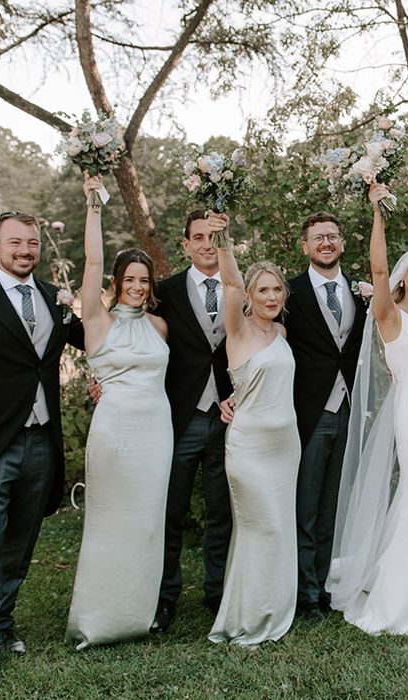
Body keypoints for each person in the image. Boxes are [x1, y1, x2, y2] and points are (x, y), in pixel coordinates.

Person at [326, 183, 408, 635]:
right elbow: (377, 268)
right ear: (404, 275)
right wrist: (377, 214)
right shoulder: (391, 315)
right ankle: (398, 599)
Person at [66, 174, 172, 649]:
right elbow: (90, 260)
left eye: (143, 281)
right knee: (110, 521)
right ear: (116, 282)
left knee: (147, 522)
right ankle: (99, 617)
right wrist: (94, 205)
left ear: (150, 286)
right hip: (114, 432)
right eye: (128, 279)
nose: (135, 286)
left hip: (156, 432)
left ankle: (137, 614)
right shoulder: (97, 321)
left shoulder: (160, 326)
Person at [0, 211, 84, 688]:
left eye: (32, 243)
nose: (25, 250)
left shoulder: (51, 297)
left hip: (41, 439)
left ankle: (0, 625)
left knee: (20, 543)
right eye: (15, 243)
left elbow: (96, 341)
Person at [208, 214, 300, 646]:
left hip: (286, 446)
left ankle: (272, 607)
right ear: (249, 294)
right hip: (248, 447)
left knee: (279, 528)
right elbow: (227, 286)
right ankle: (249, 618)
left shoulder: (281, 331)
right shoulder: (238, 329)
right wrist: (222, 237)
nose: (271, 296)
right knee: (262, 527)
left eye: (276, 288)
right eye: (262, 289)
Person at [150, 210, 233, 632]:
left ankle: (216, 591)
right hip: (180, 418)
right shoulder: (164, 291)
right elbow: (128, 330)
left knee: (222, 511)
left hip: (230, 420)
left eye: (213, 237)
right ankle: (164, 599)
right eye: (198, 237)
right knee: (172, 512)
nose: (206, 245)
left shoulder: (239, 289)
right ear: (185, 244)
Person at [284, 211, 367, 620]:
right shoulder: (290, 292)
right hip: (309, 412)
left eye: (332, 236)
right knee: (305, 507)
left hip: (349, 410)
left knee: (333, 507)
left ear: (342, 243)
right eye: (318, 238)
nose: (326, 243)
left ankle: (323, 587)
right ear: (306, 246)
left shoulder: (361, 291)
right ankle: (304, 595)